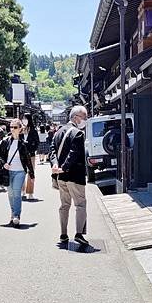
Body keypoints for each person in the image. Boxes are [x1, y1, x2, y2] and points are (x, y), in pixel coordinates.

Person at [49, 105, 89, 247]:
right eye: (84, 117)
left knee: (64, 205)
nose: (85, 120)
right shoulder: (78, 133)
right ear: (76, 117)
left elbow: (52, 150)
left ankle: (63, 234)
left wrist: (55, 165)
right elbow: (74, 153)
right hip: (74, 176)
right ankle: (78, 234)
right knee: (80, 204)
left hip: (61, 178)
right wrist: (64, 167)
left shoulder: (58, 132)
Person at [0, 118, 35, 228]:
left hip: (20, 171)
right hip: (8, 172)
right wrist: (4, 163)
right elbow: (0, 155)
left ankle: (17, 216)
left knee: (17, 193)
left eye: (15, 127)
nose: (12, 129)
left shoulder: (24, 143)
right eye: (11, 127)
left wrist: (31, 174)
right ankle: (13, 214)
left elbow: (28, 159)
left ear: (20, 129)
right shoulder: (5, 141)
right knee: (10, 194)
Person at [22, 113, 39, 200]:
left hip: (31, 155)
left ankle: (30, 192)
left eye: (25, 118)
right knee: (21, 173)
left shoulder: (33, 130)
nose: (23, 120)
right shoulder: (20, 129)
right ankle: (22, 191)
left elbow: (37, 143)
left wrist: (32, 149)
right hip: (21, 155)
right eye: (23, 118)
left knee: (31, 173)